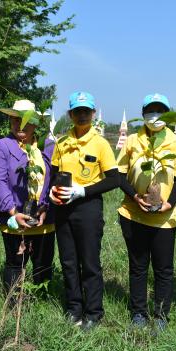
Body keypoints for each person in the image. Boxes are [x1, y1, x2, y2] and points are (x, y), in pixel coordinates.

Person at [117, 93, 176, 333]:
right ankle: (138, 312)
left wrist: (169, 203)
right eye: (151, 110)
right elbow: (119, 173)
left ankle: (161, 315)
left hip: (163, 217)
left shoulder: (174, 142)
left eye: (160, 110)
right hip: (133, 213)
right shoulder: (133, 140)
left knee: (163, 268)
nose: (155, 116)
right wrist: (135, 197)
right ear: (144, 112)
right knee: (137, 266)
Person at [50, 91, 119, 330]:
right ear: (70, 114)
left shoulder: (100, 143)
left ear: (92, 113)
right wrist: (51, 191)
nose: (82, 116)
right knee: (68, 261)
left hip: (88, 208)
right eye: (77, 112)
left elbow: (113, 179)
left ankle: (93, 312)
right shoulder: (61, 143)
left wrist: (85, 191)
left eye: (86, 112)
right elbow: (53, 175)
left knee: (89, 262)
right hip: (63, 208)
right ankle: (74, 308)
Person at [0, 99, 55, 298]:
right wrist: (13, 212)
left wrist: (44, 207)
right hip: (14, 216)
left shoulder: (48, 146)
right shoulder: (2, 146)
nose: (21, 125)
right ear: (10, 120)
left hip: (44, 217)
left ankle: (43, 302)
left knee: (43, 263)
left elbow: (54, 180)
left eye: (26, 120)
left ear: (35, 123)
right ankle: (15, 301)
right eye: (16, 120)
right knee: (15, 262)